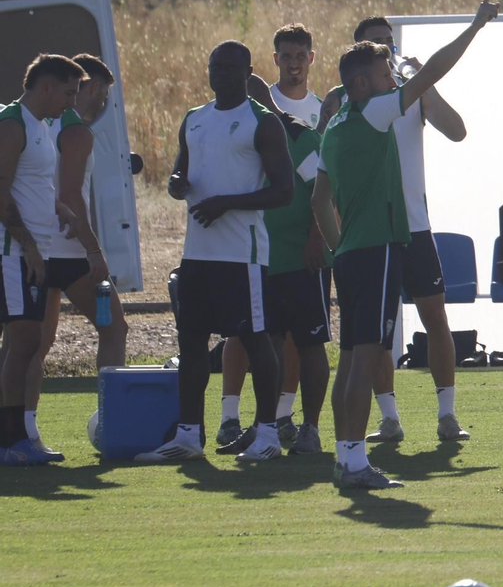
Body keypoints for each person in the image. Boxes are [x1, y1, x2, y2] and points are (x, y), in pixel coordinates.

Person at [313, 0, 498, 488]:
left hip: (353, 252)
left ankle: (344, 456)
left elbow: (317, 202)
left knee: (352, 356)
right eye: (380, 69)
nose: (390, 73)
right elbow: (432, 71)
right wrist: (475, 26)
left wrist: (336, 248)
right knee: (367, 357)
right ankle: (353, 462)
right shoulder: (373, 112)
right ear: (359, 83)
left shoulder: (333, 128)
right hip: (376, 250)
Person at [134, 42, 294, 464]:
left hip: (243, 252)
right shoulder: (195, 119)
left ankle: (266, 433)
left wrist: (228, 202)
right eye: (214, 66)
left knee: (255, 339)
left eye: (230, 67)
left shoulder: (262, 123)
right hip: (197, 253)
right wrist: (176, 184)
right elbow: (181, 169)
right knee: (190, 341)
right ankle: (188, 435)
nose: (220, 73)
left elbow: (284, 191)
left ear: (248, 71)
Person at [321, 16, 471, 444]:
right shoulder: (352, 103)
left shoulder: (404, 91)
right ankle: (386, 420)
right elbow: (324, 181)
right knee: (372, 340)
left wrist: (425, 85)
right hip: (372, 233)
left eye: (391, 44)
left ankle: (446, 414)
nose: (388, 53)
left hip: (412, 225)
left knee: (431, 318)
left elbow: (458, 131)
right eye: (377, 46)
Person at [211, 73, 333, 457]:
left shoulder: (298, 136)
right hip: (258, 261)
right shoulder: (237, 138)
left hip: (301, 259)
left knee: (311, 345)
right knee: (267, 348)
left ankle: (310, 428)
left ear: (262, 100)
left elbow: (323, 191)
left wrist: (316, 239)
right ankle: (266, 427)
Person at [20, 55, 130, 460]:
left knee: (35, 344)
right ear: (85, 87)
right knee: (114, 328)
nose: (100, 100)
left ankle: (24, 431)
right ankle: (113, 422)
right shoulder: (75, 131)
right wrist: (94, 249)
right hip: (68, 254)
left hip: (37, 250)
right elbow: (69, 198)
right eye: (98, 91)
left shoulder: (35, 123)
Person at [0, 55, 86, 466]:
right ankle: (10, 440)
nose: (71, 103)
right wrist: (28, 246)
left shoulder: (43, 127)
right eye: (68, 92)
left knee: (26, 342)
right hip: (12, 252)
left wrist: (58, 208)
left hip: (32, 250)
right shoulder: (13, 123)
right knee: (24, 342)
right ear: (46, 87)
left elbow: (29, 182)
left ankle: (16, 438)